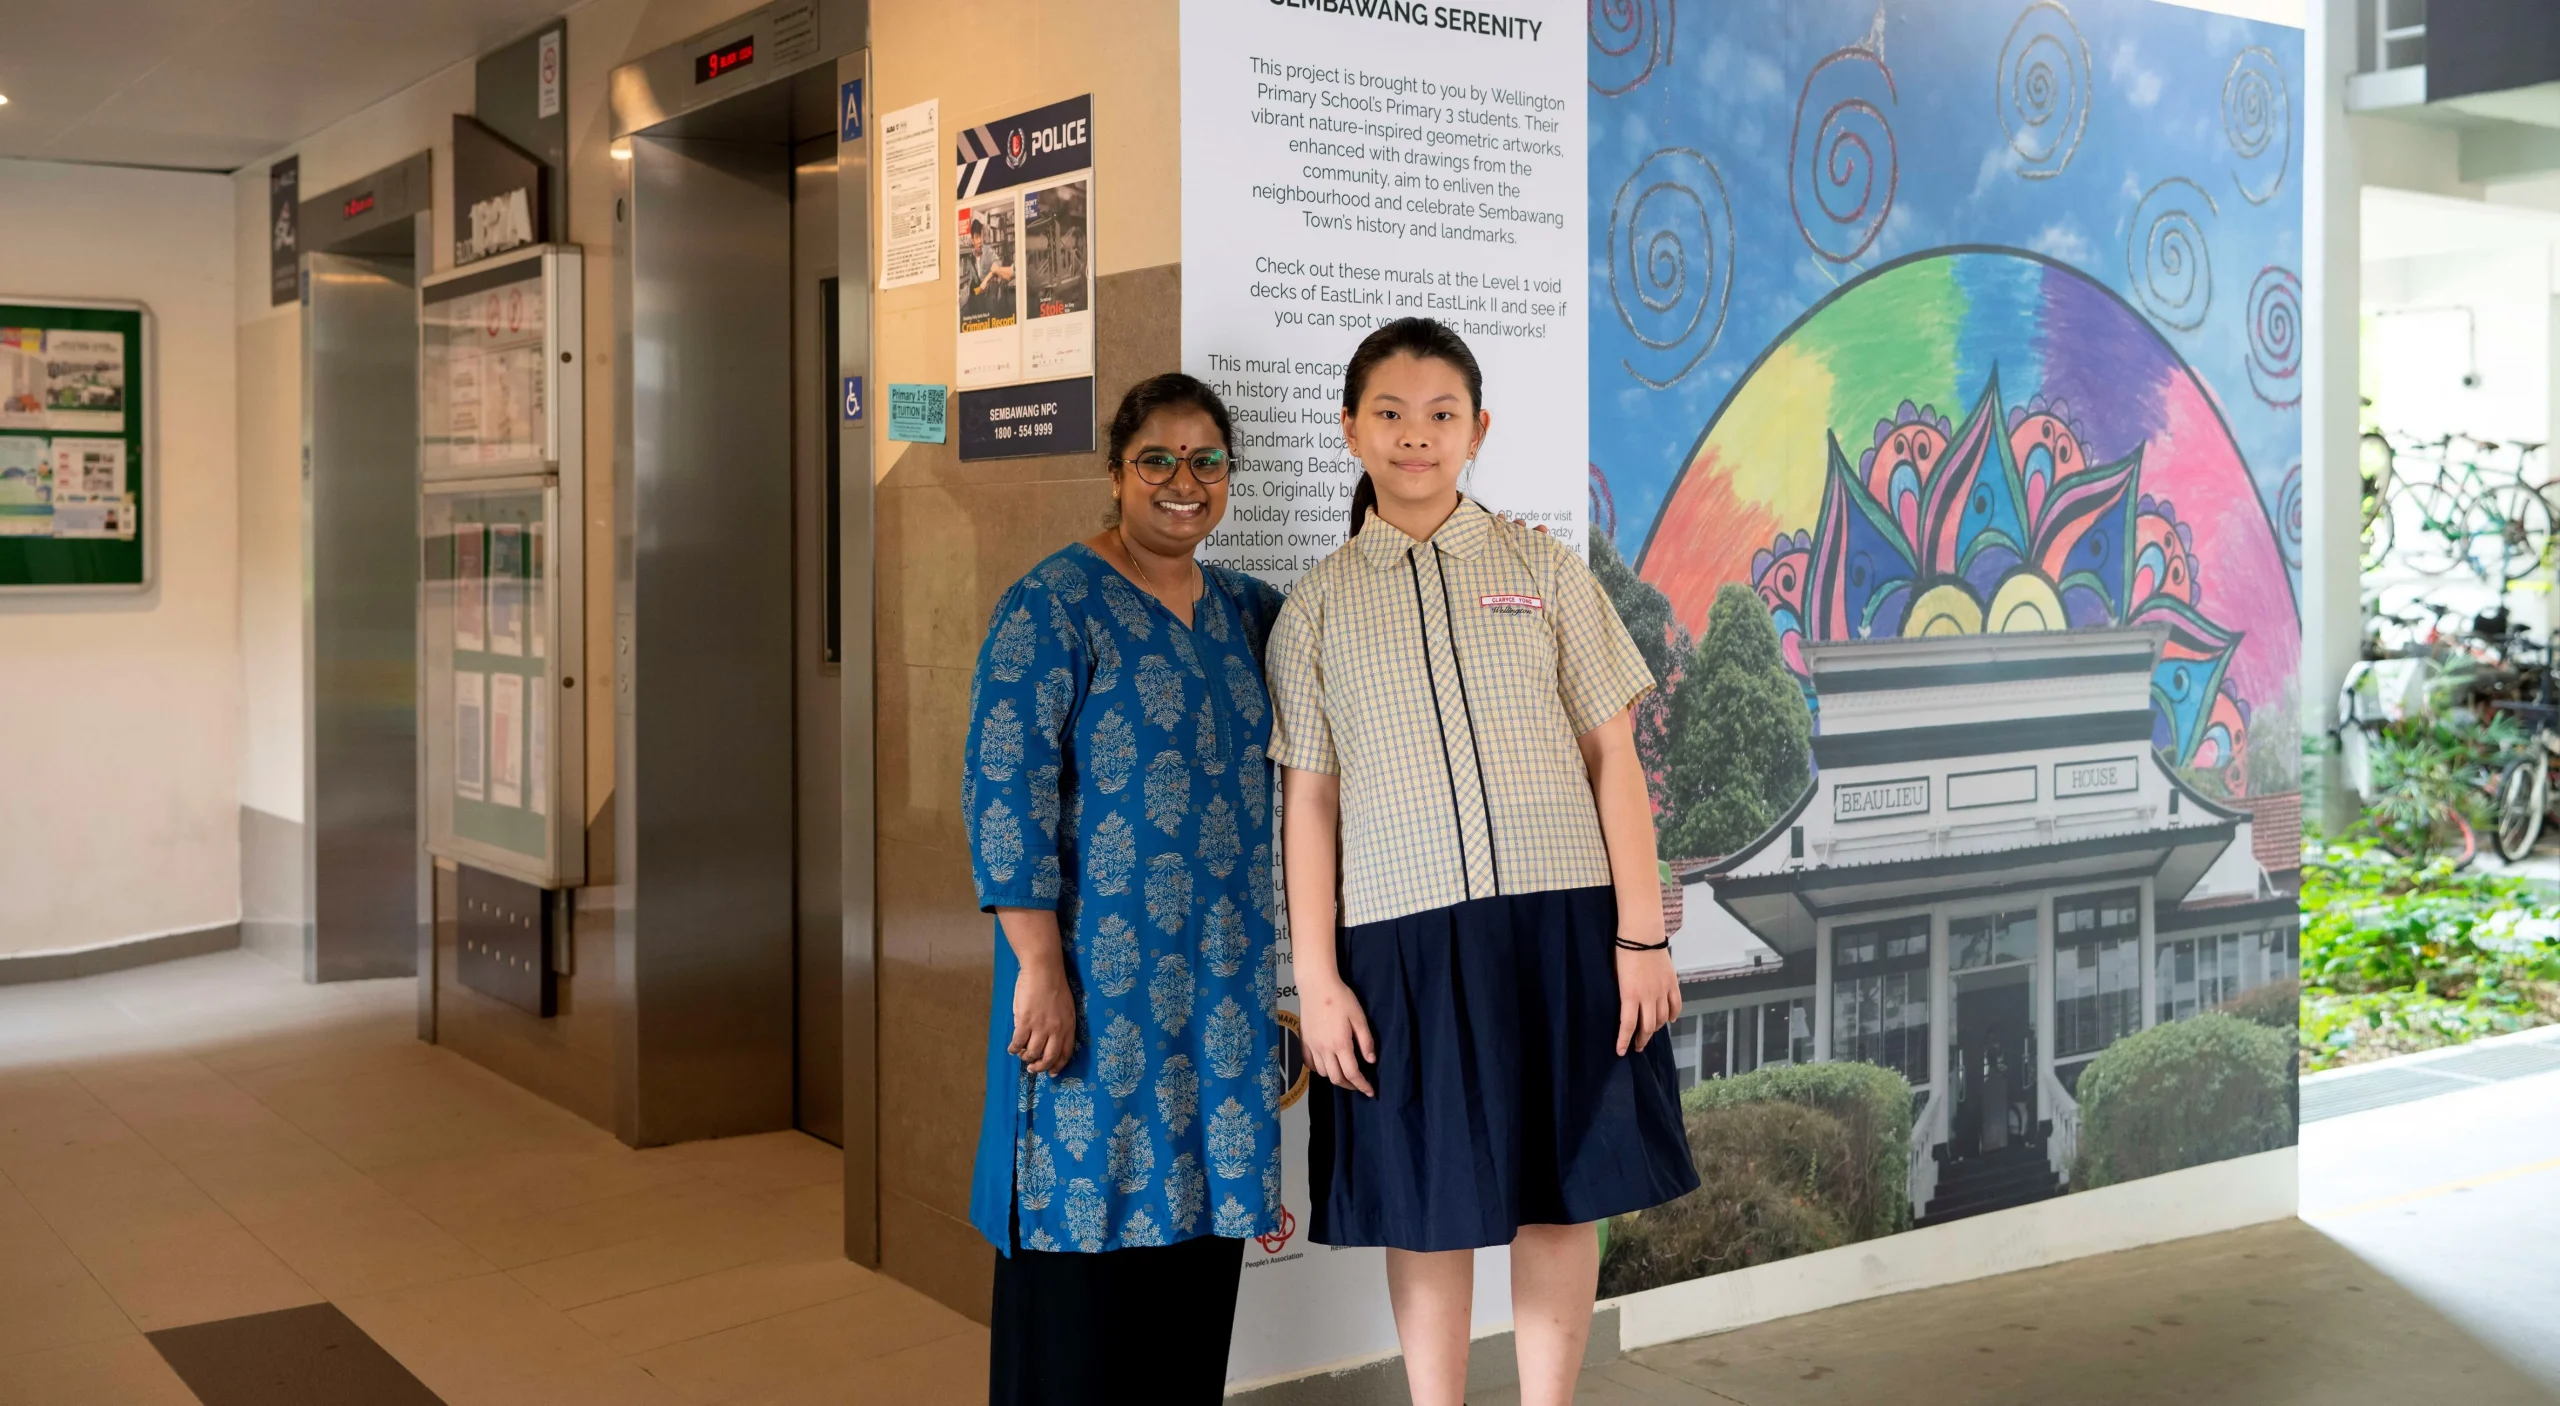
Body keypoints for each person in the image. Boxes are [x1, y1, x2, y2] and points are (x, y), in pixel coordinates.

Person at [1266, 318, 1700, 1406]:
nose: (1417, 436)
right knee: (1428, 1194)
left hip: (1561, 929)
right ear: (1351, 429)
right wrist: (1317, 982)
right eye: (1391, 413)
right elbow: (1308, 804)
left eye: (1441, 414)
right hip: (1400, 944)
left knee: (1562, 1186)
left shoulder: (1541, 564)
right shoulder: (1316, 607)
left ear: (1478, 429)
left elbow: (1614, 752)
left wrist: (1639, 933)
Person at [964, 373, 1289, 1405]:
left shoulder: (1245, 610)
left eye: (1206, 461)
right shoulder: (1051, 604)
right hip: (1092, 1008)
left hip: (1216, 1014)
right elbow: (1001, 790)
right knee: (1077, 1293)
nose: (1182, 481)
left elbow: (1352, 658)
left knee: (1188, 1296)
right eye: (1157, 458)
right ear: (1116, 473)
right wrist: (1038, 968)